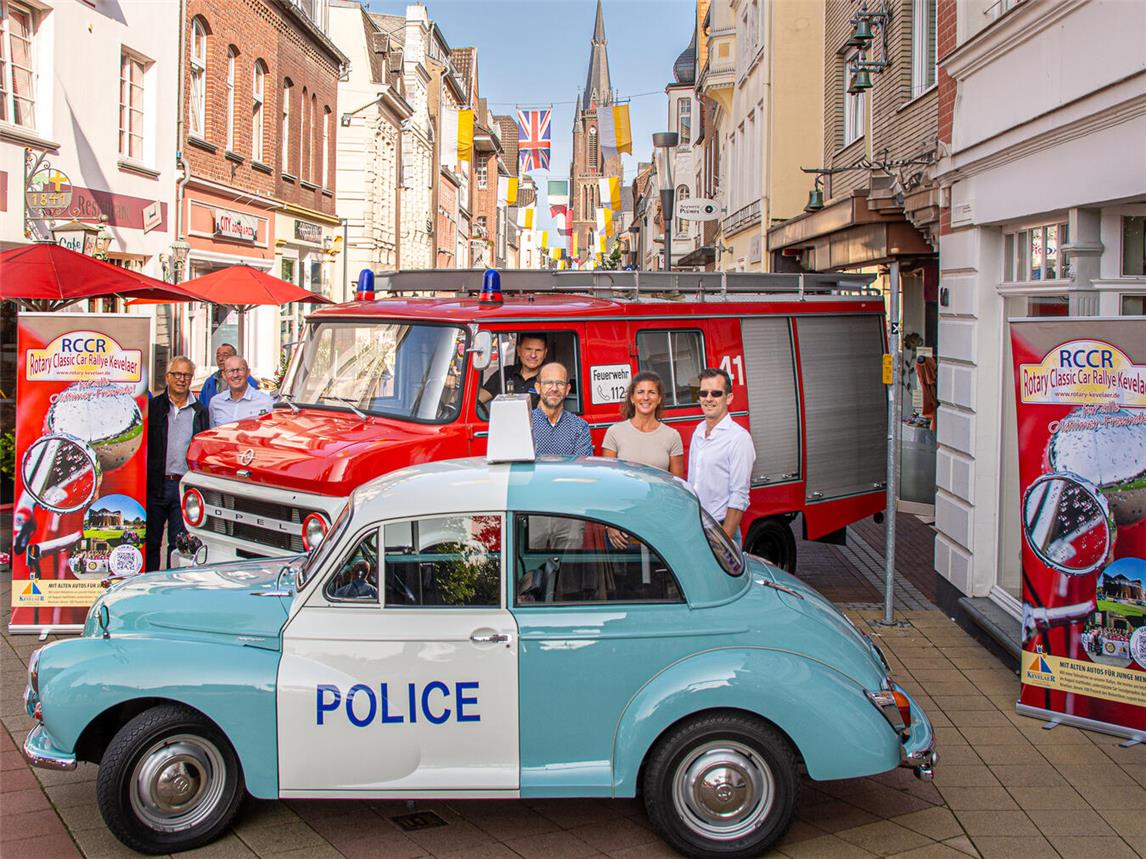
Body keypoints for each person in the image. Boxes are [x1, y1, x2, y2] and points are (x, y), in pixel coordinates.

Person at [146, 357, 209, 571]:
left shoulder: (200, 411)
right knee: (151, 541)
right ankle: (149, 585)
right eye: (177, 375)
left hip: (183, 486)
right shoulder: (153, 407)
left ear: (191, 379)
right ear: (167, 377)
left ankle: (171, 588)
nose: (181, 380)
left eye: (186, 375)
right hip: (156, 484)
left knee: (178, 544)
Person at [687, 367, 756, 545]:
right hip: (695, 528)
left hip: (721, 532)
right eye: (703, 393)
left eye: (716, 393)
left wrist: (723, 541)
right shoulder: (698, 432)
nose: (708, 399)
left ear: (729, 398)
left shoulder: (739, 438)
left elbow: (739, 495)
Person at [601, 372, 684, 477]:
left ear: (659, 399)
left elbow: (677, 484)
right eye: (640, 392)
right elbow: (609, 478)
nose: (645, 397)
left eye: (652, 392)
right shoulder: (614, 432)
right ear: (632, 398)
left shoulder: (672, 436)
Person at [531, 362, 592, 457]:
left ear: (567, 389)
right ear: (538, 388)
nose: (554, 388)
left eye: (560, 383)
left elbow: (581, 469)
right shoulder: (525, 424)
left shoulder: (579, 427)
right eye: (548, 383)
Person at [478, 333, 547, 405]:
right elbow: (478, 400)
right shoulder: (504, 373)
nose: (533, 355)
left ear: (545, 353)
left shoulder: (550, 378)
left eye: (538, 350)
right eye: (528, 349)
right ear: (519, 351)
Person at [208, 354, 275, 427]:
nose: (235, 375)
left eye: (240, 370)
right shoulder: (215, 402)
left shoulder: (267, 402)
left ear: (248, 372)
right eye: (231, 371)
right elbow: (213, 434)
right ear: (224, 375)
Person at [198, 343, 260, 408]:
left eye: (225, 355)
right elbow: (202, 406)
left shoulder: (245, 379)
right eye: (218, 355)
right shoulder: (210, 381)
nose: (220, 359)